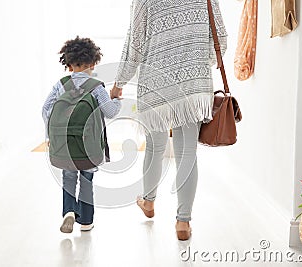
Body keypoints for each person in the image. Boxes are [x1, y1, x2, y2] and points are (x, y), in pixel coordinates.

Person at [110, 0, 227, 240]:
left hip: (156, 85)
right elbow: (220, 38)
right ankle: (182, 223)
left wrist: (119, 83)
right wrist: (197, 62)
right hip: (193, 85)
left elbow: (135, 45)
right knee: (187, 153)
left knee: (155, 146)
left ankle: (148, 201)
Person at [42, 36, 121, 233]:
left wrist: (51, 135)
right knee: (87, 181)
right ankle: (86, 221)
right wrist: (116, 99)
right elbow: (110, 111)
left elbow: (46, 109)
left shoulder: (61, 85)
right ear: (93, 63)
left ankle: (69, 211)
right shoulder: (96, 86)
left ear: (68, 65)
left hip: (65, 146)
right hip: (89, 146)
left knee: (69, 178)